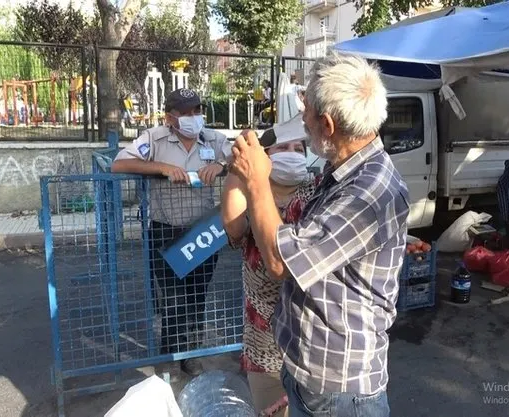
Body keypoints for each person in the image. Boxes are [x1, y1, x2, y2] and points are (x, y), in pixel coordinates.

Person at [228, 51, 409, 417]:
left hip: (339, 391)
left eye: (305, 112)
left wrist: (257, 181)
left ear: (327, 124)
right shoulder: (344, 170)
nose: (302, 123)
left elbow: (279, 262)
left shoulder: (367, 193)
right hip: (312, 375)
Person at [111, 88, 229, 376]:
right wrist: (160, 167)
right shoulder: (154, 138)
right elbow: (119, 164)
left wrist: (221, 165)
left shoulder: (214, 139)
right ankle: (171, 353)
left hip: (203, 231)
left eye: (197, 111)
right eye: (186, 113)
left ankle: (191, 353)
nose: (193, 117)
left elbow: (241, 159)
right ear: (170, 117)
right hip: (165, 230)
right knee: (173, 297)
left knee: (197, 294)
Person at [221, 121, 315, 417]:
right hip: (264, 342)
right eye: (282, 148)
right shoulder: (252, 193)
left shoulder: (317, 193)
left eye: (298, 148)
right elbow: (234, 227)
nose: (292, 153)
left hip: (312, 344)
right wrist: (240, 172)